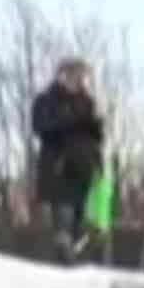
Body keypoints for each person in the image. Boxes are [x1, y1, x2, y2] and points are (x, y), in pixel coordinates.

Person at [30, 57, 106, 264]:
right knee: (64, 220)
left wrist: (96, 125)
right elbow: (42, 128)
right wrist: (74, 121)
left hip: (84, 169)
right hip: (60, 169)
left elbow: (96, 137)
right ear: (63, 75)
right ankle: (64, 261)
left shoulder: (87, 102)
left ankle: (75, 260)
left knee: (81, 224)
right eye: (76, 75)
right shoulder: (46, 100)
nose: (80, 80)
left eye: (83, 76)